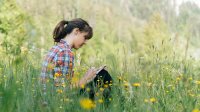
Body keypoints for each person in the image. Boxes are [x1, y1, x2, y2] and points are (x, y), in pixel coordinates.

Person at [40, 18, 107, 103]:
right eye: (85, 37)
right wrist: (86, 78)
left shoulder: (57, 48)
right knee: (104, 76)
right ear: (76, 31)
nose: (85, 42)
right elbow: (61, 92)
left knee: (100, 75)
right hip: (53, 103)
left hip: (47, 100)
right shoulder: (65, 52)